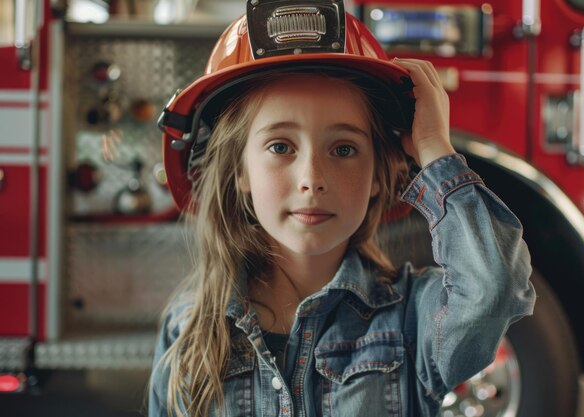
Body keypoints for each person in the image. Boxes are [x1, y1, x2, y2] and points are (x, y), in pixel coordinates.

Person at [150, 2, 536, 417]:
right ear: (240, 172)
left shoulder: (412, 321)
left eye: (344, 149)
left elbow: (493, 290)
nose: (312, 177)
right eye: (281, 147)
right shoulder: (189, 327)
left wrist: (435, 148)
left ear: (377, 176)